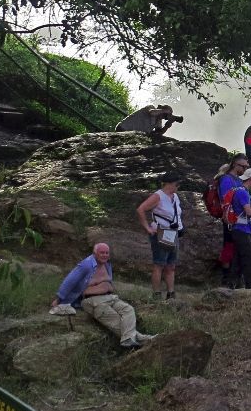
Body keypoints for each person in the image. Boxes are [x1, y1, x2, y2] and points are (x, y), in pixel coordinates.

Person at [50, 243, 154, 347]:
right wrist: (59, 299)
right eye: (102, 253)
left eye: (106, 253)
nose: (104, 255)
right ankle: (144, 340)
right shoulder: (86, 265)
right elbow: (69, 281)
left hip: (110, 297)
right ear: (95, 253)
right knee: (116, 320)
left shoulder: (107, 264)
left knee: (129, 309)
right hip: (93, 300)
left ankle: (134, 339)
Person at [136, 170, 184, 302]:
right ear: (170, 183)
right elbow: (141, 209)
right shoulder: (158, 196)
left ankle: (171, 293)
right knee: (159, 264)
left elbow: (177, 214)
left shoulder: (175, 197)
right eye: (177, 184)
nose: (178, 186)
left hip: (173, 234)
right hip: (160, 233)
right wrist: (147, 227)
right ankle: (156, 294)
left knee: (171, 265)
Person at [222, 166, 251, 289]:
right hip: (242, 230)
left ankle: (232, 284)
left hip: (236, 228)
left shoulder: (237, 190)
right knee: (250, 259)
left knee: (237, 258)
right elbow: (248, 212)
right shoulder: (243, 192)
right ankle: (250, 286)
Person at [216, 154, 250, 282]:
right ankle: (226, 275)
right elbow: (226, 200)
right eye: (243, 166)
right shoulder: (226, 179)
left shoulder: (240, 179)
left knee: (238, 247)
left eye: (247, 166)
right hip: (230, 220)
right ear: (235, 165)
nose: (245, 169)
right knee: (229, 246)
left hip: (241, 220)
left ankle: (236, 274)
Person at [115, 105, 183, 138]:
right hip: (123, 129)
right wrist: (165, 111)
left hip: (131, 135)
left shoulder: (158, 121)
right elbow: (151, 113)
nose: (163, 117)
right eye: (165, 115)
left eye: (165, 117)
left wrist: (167, 125)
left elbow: (158, 133)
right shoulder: (150, 107)